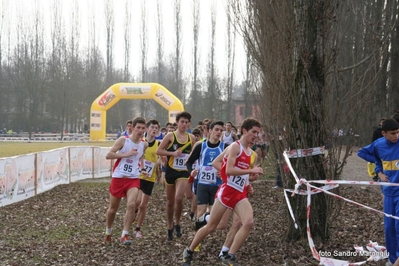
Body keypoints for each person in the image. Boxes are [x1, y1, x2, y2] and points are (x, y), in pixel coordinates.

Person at [182, 118, 264, 266]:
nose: (256, 135)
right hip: (226, 192)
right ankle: (189, 250)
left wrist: (250, 179)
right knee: (212, 227)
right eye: (253, 132)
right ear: (244, 131)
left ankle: (228, 255)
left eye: (257, 133)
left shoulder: (251, 153)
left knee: (248, 222)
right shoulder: (234, 147)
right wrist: (233, 172)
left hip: (240, 194)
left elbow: (226, 167)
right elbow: (229, 169)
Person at [357, 118, 399, 266]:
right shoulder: (379, 145)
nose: (396, 136)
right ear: (384, 133)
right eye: (393, 133)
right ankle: (392, 258)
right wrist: (379, 172)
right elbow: (362, 153)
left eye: (398, 132)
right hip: (388, 192)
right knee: (389, 228)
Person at [104, 117, 149, 245]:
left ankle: (125, 235)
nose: (140, 130)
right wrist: (126, 154)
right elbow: (109, 155)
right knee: (113, 209)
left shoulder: (144, 144)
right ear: (133, 128)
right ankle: (108, 231)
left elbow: (140, 158)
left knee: (131, 205)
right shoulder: (123, 140)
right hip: (119, 178)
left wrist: (143, 169)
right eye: (138, 128)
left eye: (142, 128)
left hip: (133, 179)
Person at [156, 111, 195, 241]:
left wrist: (191, 160)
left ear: (189, 124)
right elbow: (159, 150)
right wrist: (172, 154)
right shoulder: (170, 136)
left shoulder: (192, 138)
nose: (184, 124)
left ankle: (177, 222)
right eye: (182, 121)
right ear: (177, 122)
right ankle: (169, 225)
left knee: (179, 198)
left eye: (186, 122)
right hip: (171, 170)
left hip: (183, 171)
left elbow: (195, 155)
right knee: (170, 201)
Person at [185, 121, 227, 227]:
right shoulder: (201, 146)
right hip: (202, 183)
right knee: (200, 211)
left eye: (221, 130)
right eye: (216, 130)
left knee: (213, 215)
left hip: (217, 185)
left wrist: (223, 172)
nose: (219, 132)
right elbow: (189, 162)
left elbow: (231, 165)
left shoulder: (225, 147)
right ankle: (199, 238)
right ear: (209, 131)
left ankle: (206, 230)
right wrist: (192, 171)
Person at [133, 119, 161, 238]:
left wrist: (160, 164)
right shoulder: (140, 142)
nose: (154, 129)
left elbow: (160, 160)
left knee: (143, 205)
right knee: (137, 202)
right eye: (152, 127)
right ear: (147, 129)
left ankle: (138, 228)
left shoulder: (159, 144)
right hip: (139, 175)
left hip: (150, 177)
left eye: (156, 128)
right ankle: (132, 214)